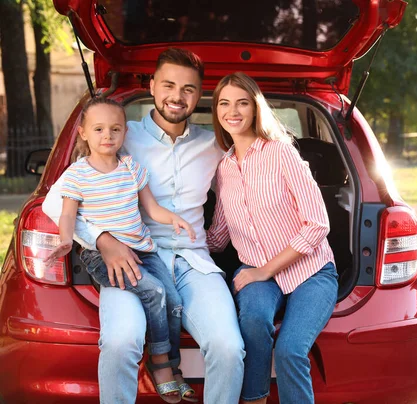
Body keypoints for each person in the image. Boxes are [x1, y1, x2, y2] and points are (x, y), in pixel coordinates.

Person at [42, 48, 245, 404]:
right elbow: (54, 202)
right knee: (121, 343)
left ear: (200, 95)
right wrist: (101, 239)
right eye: (168, 85)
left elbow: (250, 183)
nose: (177, 96)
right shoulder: (119, 134)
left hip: (193, 261)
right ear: (152, 86)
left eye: (188, 89)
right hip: (129, 257)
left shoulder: (213, 144)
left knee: (229, 348)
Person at [43, 97, 197, 403]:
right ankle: (161, 363)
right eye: (98, 129)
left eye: (114, 129)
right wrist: (64, 240)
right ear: (84, 133)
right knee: (154, 293)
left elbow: (152, 209)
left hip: (144, 251)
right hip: (101, 257)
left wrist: (176, 219)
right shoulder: (77, 175)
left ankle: (172, 365)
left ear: (124, 132)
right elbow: (68, 214)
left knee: (175, 301)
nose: (107, 136)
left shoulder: (131, 168)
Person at [206, 72, 339, 404]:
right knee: (253, 320)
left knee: (291, 350)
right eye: (224, 103)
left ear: (254, 109)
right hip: (256, 273)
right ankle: (256, 399)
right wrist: (174, 241)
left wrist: (265, 270)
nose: (232, 111)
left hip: (312, 272)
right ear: (216, 111)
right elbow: (220, 235)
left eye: (241, 103)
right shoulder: (223, 168)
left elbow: (318, 224)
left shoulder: (281, 152)